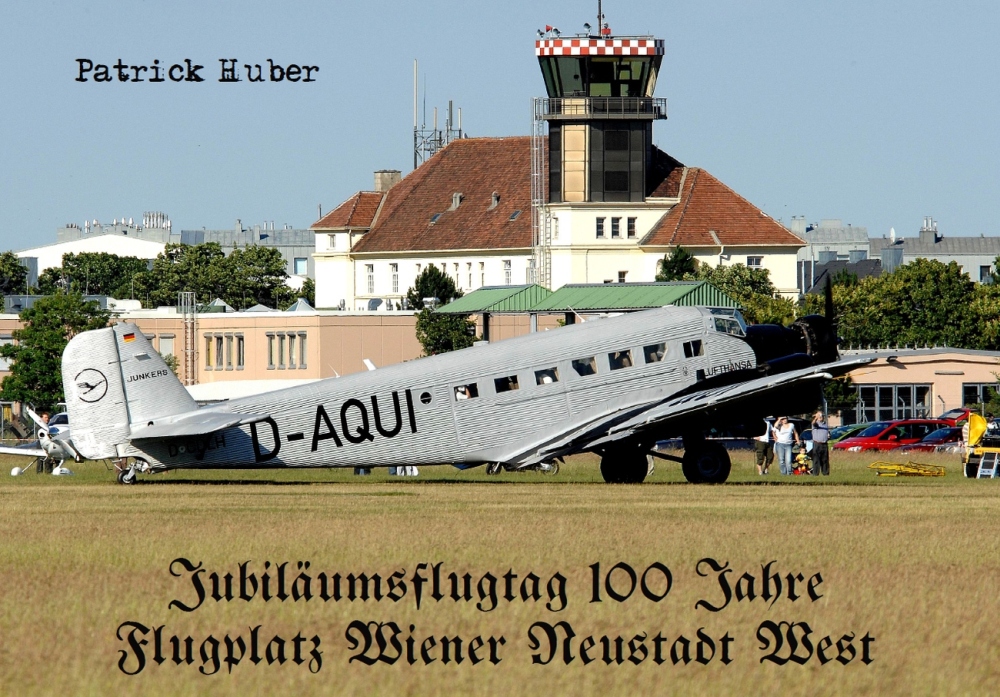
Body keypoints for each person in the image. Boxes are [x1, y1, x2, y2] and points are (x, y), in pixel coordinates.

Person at [811, 410, 830, 476]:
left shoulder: (825, 424)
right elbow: (813, 423)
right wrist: (816, 417)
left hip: (824, 444)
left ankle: (825, 473)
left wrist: (828, 435)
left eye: (821, 416)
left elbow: (827, 432)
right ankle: (815, 473)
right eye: (819, 416)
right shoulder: (816, 424)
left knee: (825, 459)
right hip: (817, 444)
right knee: (816, 460)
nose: (820, 417)